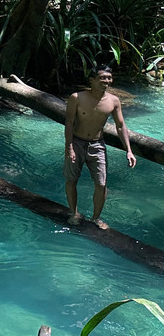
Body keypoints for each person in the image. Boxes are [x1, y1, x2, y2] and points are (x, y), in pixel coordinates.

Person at [64, 64, 136, 227]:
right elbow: (69, 123)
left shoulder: (113, 101)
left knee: (101, 184)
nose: (107, 81)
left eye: (109, 78)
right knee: (71, 179)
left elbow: (120, 125)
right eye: (102, 77)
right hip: (76, 141)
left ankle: (95, 218)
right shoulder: (77, 97)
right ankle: (73, 213)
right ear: (92, 80)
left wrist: (129, 150)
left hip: (97, 144)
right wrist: (69, 147)